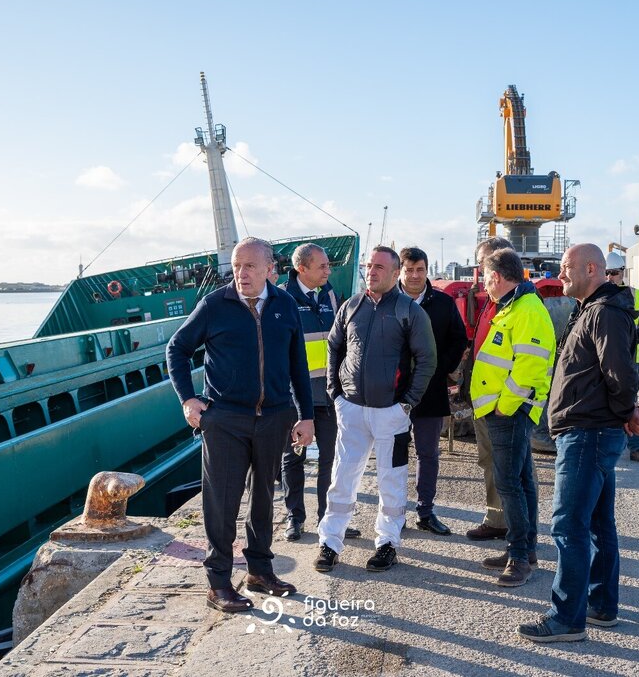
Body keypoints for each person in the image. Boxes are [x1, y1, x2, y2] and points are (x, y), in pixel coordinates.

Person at [166, 237, 316, 613]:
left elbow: (297, 362)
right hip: (226, 420)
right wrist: (188, 399)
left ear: (270, 269)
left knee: (264, 496)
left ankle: (259, 571)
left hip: (274, 417)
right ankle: (218, 584)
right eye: (236, 265)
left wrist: (305, 414)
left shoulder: (284, 305)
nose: (241, 273)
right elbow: (177, 349)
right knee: (222, 501)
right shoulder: (215, 305)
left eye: (250, 266)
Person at [518, 243, 639, 643]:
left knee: (568, 524)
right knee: (596, 523)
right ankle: (600, 605)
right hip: (591, 430)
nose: (560, 275)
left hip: (588, 433)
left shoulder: (605, 312)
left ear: (592, 268)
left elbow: (621, 373)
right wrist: (625, 412)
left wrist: (627, 411)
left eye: (566, 267)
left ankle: (566, 619)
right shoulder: (593, 309)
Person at [314, 246, 437, 573]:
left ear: (396, 273)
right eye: (370, 265)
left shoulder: (409, 311)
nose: (372, 271)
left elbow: (427, 360)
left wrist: (407, 403)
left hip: (390, 414)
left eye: (380, 267)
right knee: (341, 477)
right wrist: (335, 393)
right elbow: (334, 347)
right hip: (351, 409)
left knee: (391, 480)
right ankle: (330, 542)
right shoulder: (351, 306)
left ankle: (386, 543)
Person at [471, 248, 555, 587]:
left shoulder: (526, 309)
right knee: (520, 482)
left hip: (508, 412)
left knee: (510, 483)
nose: (486, 286)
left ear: (495, 277)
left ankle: (519, 557)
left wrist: (506, 405)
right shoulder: (515, 306)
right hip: (503, 409)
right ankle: (524, 550)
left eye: (486, 279)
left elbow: (530, 366)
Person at [279, 243, 359, 541]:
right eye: (322, 266)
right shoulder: (281, 298)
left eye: (328, 265)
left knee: (332, 459)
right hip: (294, 397)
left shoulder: (330, 295)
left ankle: (330, 519)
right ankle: (294, 518)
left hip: (329, 394)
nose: (329, 270)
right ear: (302, 268)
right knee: (293, 458)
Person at [397, 246, 468, 536]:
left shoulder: (442, 302)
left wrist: (441, 370)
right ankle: (394, 512)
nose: (415, 275)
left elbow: (458, 338)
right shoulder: (387, 302)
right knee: (394, 455)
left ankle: (425, 512)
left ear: (427, 271)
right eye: (409, 270)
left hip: (430, 390)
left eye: (420, 270)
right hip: (394, 392)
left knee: (428, 454)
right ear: (399, 271)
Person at [464, 236, 516, 542]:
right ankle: (497, 519)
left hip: (502, 402)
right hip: (486, 399)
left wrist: (506, 403)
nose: (484, 273)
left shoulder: (516, 304)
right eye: (481, 265)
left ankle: (517, 532)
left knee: (509, 466)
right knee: (490, 461)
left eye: (487, 265)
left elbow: (528, 361)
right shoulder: (490, 302)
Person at [606, 251, 639, 463]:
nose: (610, 277)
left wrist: (636, 337)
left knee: (630, 402)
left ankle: (636, 447)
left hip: (629, 361)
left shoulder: (637, 297)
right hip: (601, 361)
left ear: (622, 273)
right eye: (607, 273)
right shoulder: (595, 296)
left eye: (614, 273)